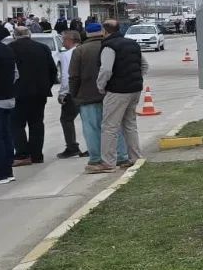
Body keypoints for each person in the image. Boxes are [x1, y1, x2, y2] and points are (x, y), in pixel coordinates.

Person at [72, 22, 128, 173]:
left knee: (91, 128)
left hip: (87, 95)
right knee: (113, 126)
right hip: (111, 93)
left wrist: (74, 95)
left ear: (86, 33)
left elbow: (74, 76)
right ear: (102, 32)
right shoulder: (111, 46)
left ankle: (96, 158)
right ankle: (121, 155)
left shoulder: (80, 51)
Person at [96, 19, 146, 172]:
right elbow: (145, 65)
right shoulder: (132, 44)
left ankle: (108, 162)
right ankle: (136, 158)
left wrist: (101, 86)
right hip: (135, 89)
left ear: (105, 31)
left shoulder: (109, 46)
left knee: (109, 127)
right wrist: (135, 78)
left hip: (117, 90)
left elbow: (106, 70)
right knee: (130, 124)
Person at [9, 26, 57, 166]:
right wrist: (46, 86)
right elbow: (52, 70)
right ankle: (36, 155)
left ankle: (23, 154)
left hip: (17, 93)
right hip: (39, 92)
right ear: (30, 35)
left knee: (17, 124)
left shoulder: (10, 48)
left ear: (14, 35)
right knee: (36, 123)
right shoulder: (42, 48)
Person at [55, 29, 86, 158]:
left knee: (66, 119)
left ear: (69, 40)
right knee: (89, 119)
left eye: (63, 40)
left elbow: (67, 76)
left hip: (74, 92)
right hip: (90, 91)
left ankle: (72, 146)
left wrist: (62, 93)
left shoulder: (67, 55)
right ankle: (94, 145)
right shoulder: (86, 50)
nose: (63, 42)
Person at [0, 24, 17, 185]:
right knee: (6, 135)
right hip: (8, 98)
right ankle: (8, 170)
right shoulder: (7, 50)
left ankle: (0, 173)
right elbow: (16, 74)